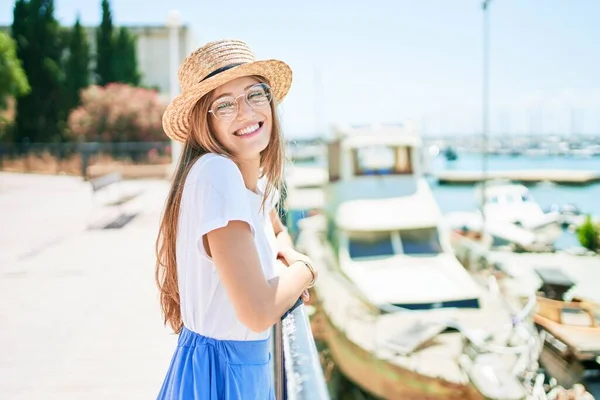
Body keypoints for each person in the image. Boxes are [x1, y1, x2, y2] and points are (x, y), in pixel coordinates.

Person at [155, 39, 318, 399]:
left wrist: (286, 256)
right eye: (224, 104)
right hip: (223, 375)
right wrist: (305, 269)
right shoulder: (216, 173)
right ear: (203, 123)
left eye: (255, 94)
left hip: (232, 367)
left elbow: (275, 230)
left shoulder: (253, 186)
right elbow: (259, 311)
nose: (245, 112)